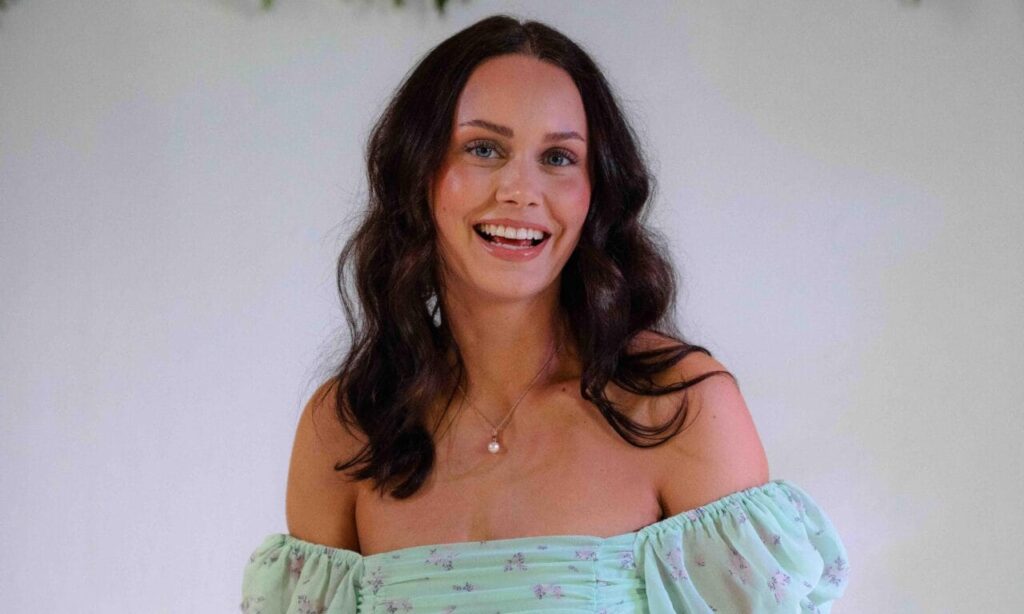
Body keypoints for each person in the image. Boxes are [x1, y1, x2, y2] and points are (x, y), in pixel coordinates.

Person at [241, 14, 849, 613]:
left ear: (595, 191)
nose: (521, 191)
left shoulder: (677, 405)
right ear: (417, 173)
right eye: (484, 149)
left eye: (558, 158)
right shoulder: (348, 426)